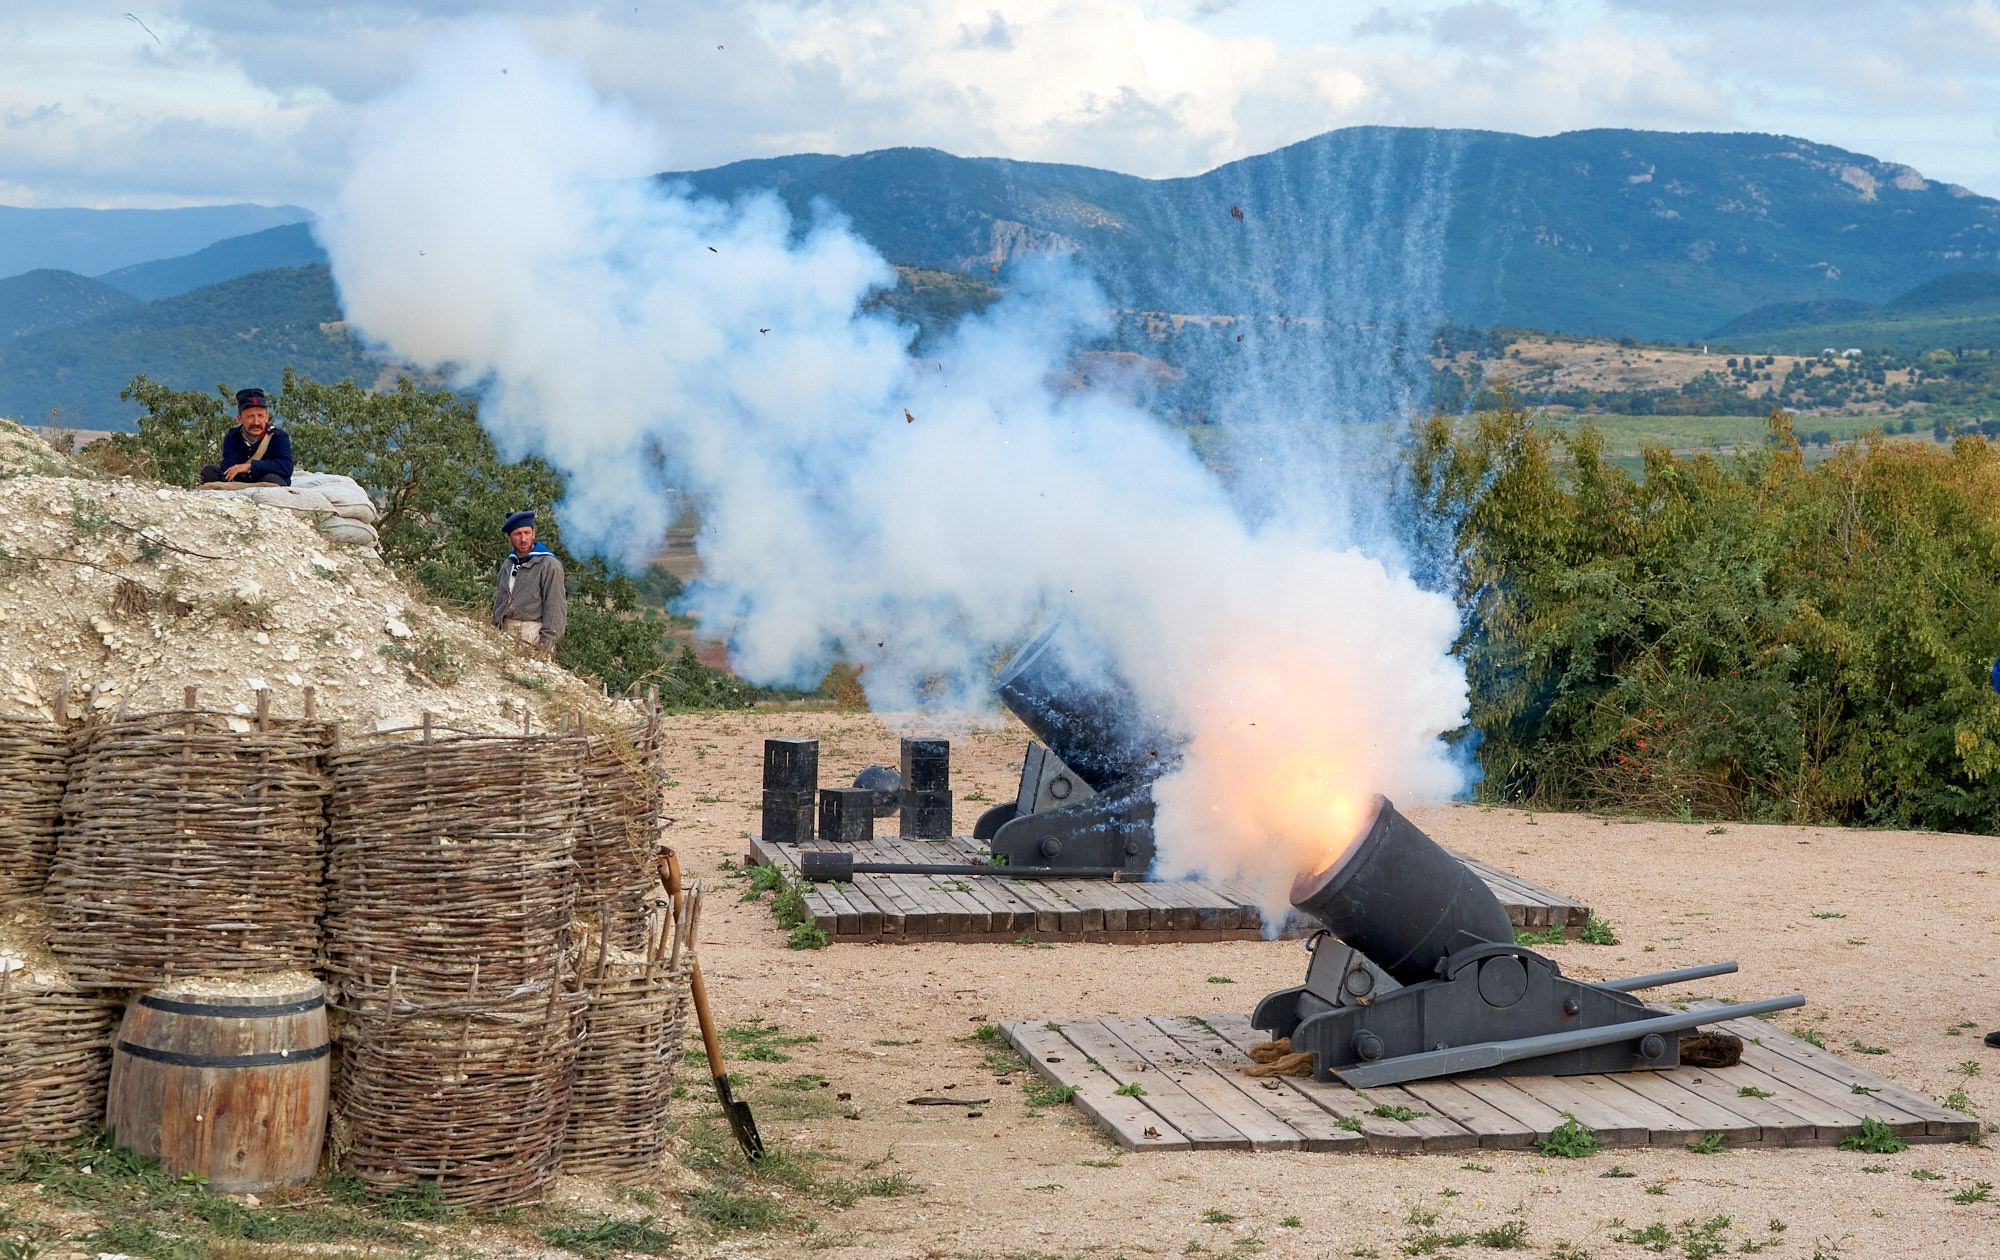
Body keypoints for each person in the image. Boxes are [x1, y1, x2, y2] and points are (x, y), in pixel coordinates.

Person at [490, 510, 566, 655]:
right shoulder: (508, 564)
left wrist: (546, 644)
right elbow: (500, 600)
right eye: (517, 534)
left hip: (533, 635)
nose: (523, 539)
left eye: (527, 533)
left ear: (533, 534)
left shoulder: (549, 564)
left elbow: (555, 606)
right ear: (509, 538)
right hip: (504, 634)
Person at [198, 388, 294, 486]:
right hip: (240, 480)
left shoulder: (278, 436)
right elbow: (229, 467)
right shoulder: (233, 437)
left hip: (266, 479)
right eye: (250, 416)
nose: (256, 422)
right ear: (239, 418)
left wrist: (250, 466)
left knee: (271, 479)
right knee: (208, 472)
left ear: (267, 417)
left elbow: (286, 467)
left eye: (260, 416)